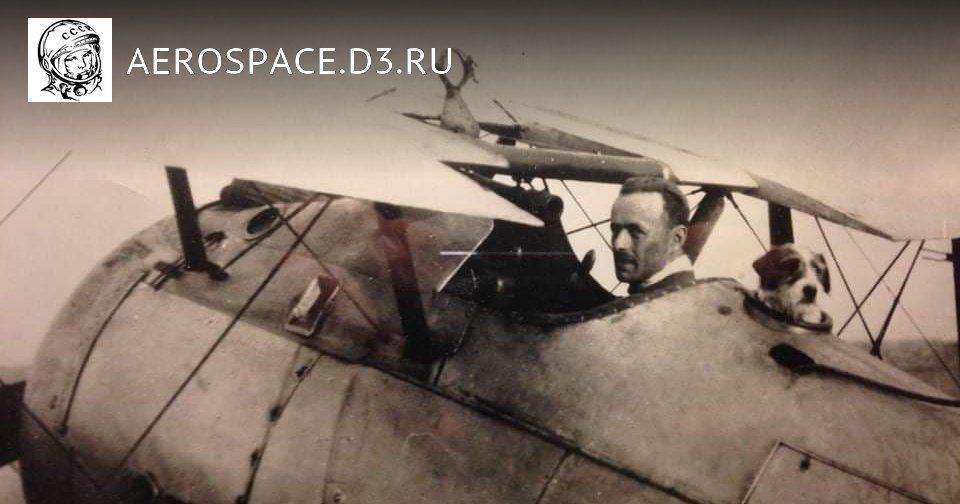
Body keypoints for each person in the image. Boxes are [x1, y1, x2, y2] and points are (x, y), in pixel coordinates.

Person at [610, 176, 694, 295]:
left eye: (636, 232)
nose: (618, 244)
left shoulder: (676, 301)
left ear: (676, 239)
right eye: (615, 230)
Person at [38, 19, 103, 101]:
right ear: (47, 65)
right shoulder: (45, 97)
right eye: (71, 59)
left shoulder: (100, 92)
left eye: (86, 55)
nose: (82, 65)